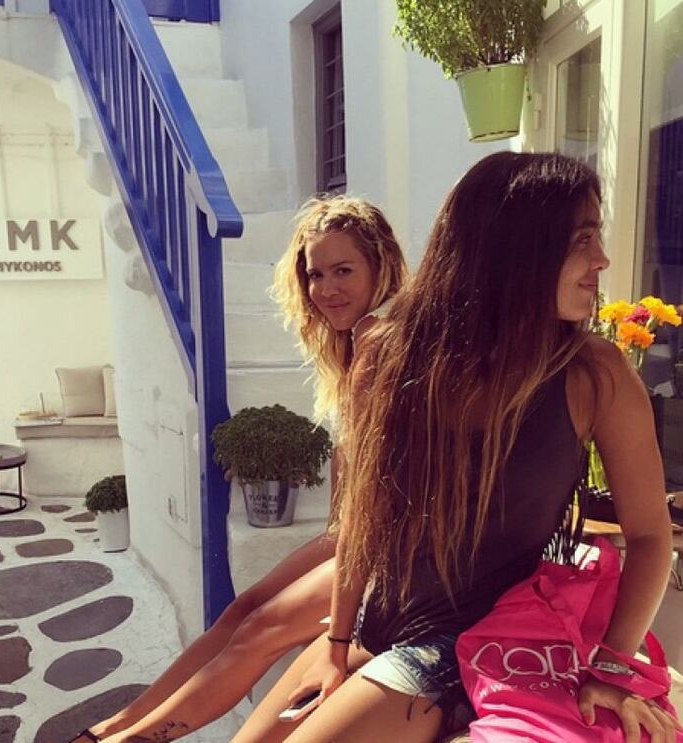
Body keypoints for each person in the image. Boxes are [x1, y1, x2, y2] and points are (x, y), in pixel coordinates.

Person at [231, 151, 677, 743]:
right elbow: (362, 520)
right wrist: (336, 645)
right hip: (377, 625)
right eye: (582, 239)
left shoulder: (593, 372)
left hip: (471, 644)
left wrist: (614, 668)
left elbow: (649, 537)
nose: (602, 258)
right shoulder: (389, 356)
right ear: (515, 248)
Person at [63, 195, 407, 743]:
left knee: (260, 627)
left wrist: (339, 629)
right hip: (355, 530)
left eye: (344, 271)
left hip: (393, 545)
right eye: (315, 274)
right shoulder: (359, 341)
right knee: (242, 608)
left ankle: (126, 739)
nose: (325, 289)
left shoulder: (382, 341)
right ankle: (113, 728)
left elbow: (376, 490)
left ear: (380, 265)